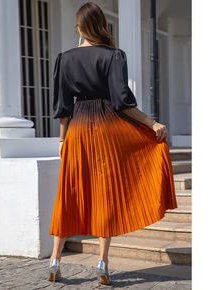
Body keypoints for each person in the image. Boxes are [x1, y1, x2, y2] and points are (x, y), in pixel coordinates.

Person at [47, 1, 177, 286]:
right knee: (105, 195)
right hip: (107, 129)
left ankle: (55, 260)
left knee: (69, 194)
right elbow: (123, 104)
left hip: (77, 131)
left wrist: (61, 139)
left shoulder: (65, 58)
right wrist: (152, 124)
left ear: (79, 27)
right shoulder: (113, 56)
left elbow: (63, 106)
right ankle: (102, 264)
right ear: (101, 26)